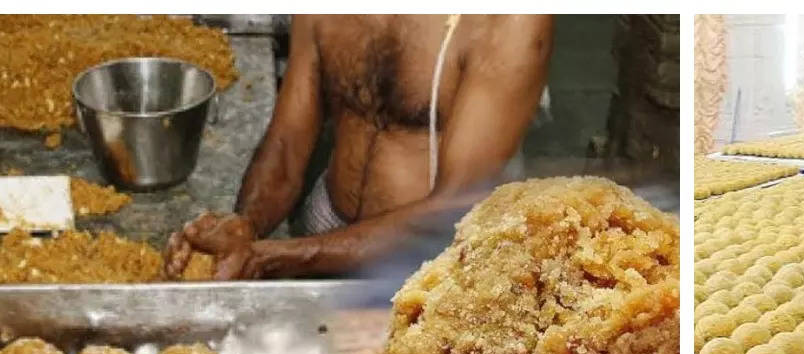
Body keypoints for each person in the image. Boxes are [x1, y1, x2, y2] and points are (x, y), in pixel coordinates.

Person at [166, 14, 554, 280]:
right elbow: (287, 143)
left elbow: (457, 208)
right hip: (326, 220)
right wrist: (245, 227)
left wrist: (282, 256)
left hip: (440, 260)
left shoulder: (507, 20)